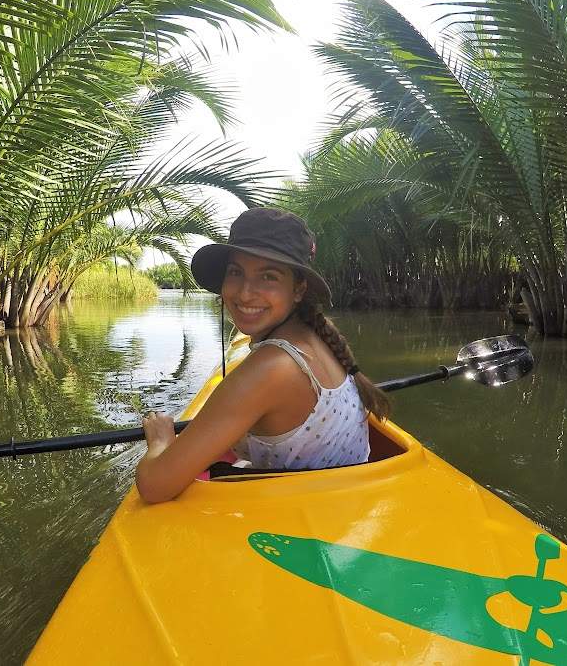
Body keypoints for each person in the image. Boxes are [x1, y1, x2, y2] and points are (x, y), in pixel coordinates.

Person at [135, 208, 390, 504]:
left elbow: (154, 486)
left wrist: (161, 442)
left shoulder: (270, 368)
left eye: (268, 276)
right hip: (342, 504)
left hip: (304, 521)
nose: (245, 293)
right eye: (236, 272)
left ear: (298, 289)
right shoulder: (315, 335)